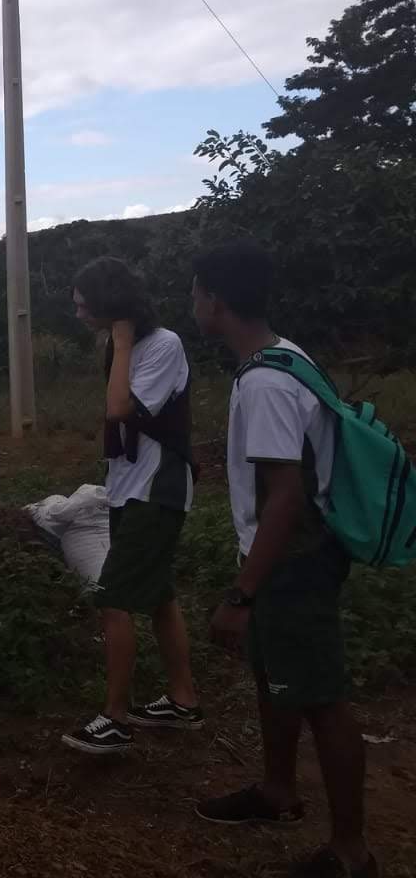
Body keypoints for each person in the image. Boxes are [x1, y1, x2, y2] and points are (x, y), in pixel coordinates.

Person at [192, 245, 377, 878]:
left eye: (196, 293)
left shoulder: (266, 383)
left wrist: (241, 594)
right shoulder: (284, 357)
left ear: (215, 299)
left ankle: (351, 852)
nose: (194, 305)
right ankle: (276, 791)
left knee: (321, 699)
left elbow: (286, 498)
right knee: (275, 676)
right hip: (288, 557)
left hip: (293, 562)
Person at [62, 257, 201, 755]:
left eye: (84, 304)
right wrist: (118, 344)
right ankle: (183, 699)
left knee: (114, 598)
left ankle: (115, 718)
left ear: (111, 304)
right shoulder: (122, 346)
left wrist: (120, 344)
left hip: (156, 488)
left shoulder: (162, 345)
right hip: (128, 485)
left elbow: (120, 408)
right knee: (159, 596)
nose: (78, 313)